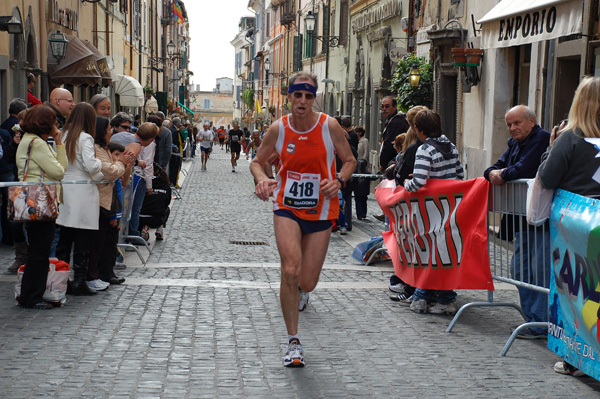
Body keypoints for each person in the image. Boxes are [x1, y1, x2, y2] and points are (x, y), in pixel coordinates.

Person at [250, 72, 356, 367]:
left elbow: (349, 161)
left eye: (308, 96)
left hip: (321, 208)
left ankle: (298, 289)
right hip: (287, 205)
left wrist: (339, 180)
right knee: (290, 268)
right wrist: (262, 179)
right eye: (298, 95)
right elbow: (258, 162)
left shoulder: (329, 126)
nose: (303, 101)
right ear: (289, 97)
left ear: (314, 99)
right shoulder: (278, 129)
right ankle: (293, 341)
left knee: (307, 281)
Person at [537, 77, 600, 376]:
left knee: (576, 295)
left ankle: (576, 360)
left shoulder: (571, 138)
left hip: (574, 232)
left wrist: (550, 148)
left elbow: (548, 178)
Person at [483, 104, 550, 338]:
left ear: (531, 121)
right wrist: (493, 173)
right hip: (519, 218)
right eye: (509, 124)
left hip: (539, 218)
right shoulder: (514, 143)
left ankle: (540, 322)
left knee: (538, 272)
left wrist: (501, 174)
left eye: (517, 123)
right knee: (519, 270)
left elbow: (526, 168)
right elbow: (495, 167)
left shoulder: (542, 139)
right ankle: (532, 318)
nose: (512, 128)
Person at [403, 109, 464, 315]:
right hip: (449, 209)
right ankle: (445, 297)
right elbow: (460, 175)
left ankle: (422, 297)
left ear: (419, 130)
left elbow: (418, 183)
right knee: (444, 253)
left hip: (428, 211)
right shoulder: (452, 147)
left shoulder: (425, 150)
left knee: (426, 252)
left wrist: (406, 183)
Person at [15, 105, 67, 309]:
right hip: (39, 200)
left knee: (38, 249)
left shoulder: (31, 140)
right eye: (53, 122)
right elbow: (59, 171)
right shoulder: (37, 143)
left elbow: (60, 169)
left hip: (36, 200)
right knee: (39, 250)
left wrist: (58, 145)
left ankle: (32, 293)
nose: (56, 126)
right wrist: (60, 145)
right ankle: (31, 296)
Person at [55, 103, 104, 296]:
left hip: (66, 189)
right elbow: (91, 166)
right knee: (83, 237)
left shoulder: (63, 134)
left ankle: (62, 280)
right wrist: (100, 166)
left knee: (65, 238)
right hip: (83, 190)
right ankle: (80, 280)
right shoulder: (85, 138)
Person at [387, 105, 428, 303]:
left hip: (415, 207)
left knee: (414, 247)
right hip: (419, 207)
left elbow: (409, 177)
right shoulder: (417, 145)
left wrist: (403, 179)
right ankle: (413, 286)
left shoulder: (416, 147)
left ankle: (413, 288)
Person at [87, 116, 132, 289]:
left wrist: (125, 164)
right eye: (108, 130)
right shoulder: (99, 151)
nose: (110, 132)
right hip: (105, 202)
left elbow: (122, 182)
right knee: (101, 242)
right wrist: (121, 163)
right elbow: (110, 174)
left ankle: (106, 272)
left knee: (108, 241)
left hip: (111, 203)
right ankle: (100, 273)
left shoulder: (104, 150)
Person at [374, 96, 409, 222]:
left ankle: (389, 211)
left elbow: (389, 144)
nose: (384, 109)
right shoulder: (392, 120)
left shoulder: (396, 122)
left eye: (387, 106)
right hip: (393, 161)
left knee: (391, 188)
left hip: (394, 162)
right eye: (382, 106)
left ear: (395, 107)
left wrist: (383, 163)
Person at [354, 126, 370, 221]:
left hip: (362, 165)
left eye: (356, 131)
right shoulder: (356, 140)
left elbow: (366, 153)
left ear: (360, 133)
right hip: (355, 165)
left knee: (362, 192)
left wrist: (363, 162)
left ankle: (363, 212)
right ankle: (360, 212)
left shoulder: (364, 141)